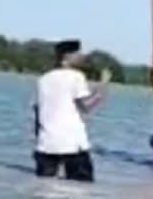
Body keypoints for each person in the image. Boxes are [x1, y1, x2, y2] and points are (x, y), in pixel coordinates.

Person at [32, 39, 111, 182]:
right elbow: (86, 106)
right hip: (72, 144)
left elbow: (38, 112)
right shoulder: (76, 76)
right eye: (77, 53)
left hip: (46, 144)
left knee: (44, 191)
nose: (81, 56)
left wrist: (40, 139)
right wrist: (103, 86)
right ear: (67, 57)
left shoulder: (43, 79)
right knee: (81, 191)